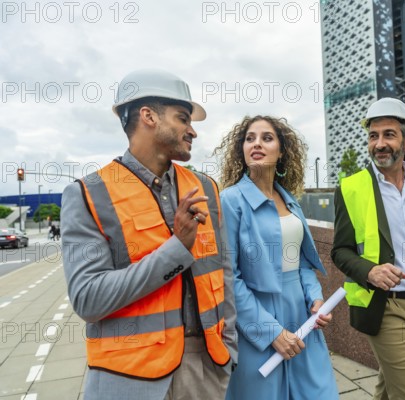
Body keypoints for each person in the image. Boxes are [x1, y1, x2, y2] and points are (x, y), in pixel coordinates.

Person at [61, 69, 237, 400]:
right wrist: (176, 249)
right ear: (149, 117)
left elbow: (222, 272)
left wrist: (231, 351)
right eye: (183, 118)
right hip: (129, 377)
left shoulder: (206, 188)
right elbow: (88, 299)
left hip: (205, 369)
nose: (193, 131)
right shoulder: (88, 194)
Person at [331, 97, 405, 400]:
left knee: (389, 390)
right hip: (385, 308)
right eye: (373, 136)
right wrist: (370, 271)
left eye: (388, 134)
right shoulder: (351, 188)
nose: (379, 143)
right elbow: (340, 251)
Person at [214, 116, 339, 400]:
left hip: (302, 318)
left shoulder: (290, 201)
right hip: (256, 321)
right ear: (241, 150)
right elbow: (227, 276)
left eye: (267, 138)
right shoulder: (230, 201)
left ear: (282, 151)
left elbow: (303, 262)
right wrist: (270, 332)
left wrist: (316, 299)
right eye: (249, 138)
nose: (256, 143)